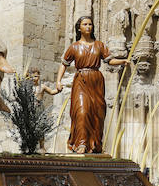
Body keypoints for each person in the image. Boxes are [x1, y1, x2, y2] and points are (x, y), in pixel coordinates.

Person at [54, 16, 128, 153]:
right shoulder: (74, 47)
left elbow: (109, 61)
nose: (88, 26)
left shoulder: (99, 45)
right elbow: (64, 64)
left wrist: (122, 61)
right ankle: (81, 144)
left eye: (90, 24)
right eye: (85, 24)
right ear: (79, 28)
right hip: (81, 80)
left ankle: (94, 145)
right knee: (81, 111)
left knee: (98, 113)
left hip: (96, 81)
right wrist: (58, 81)